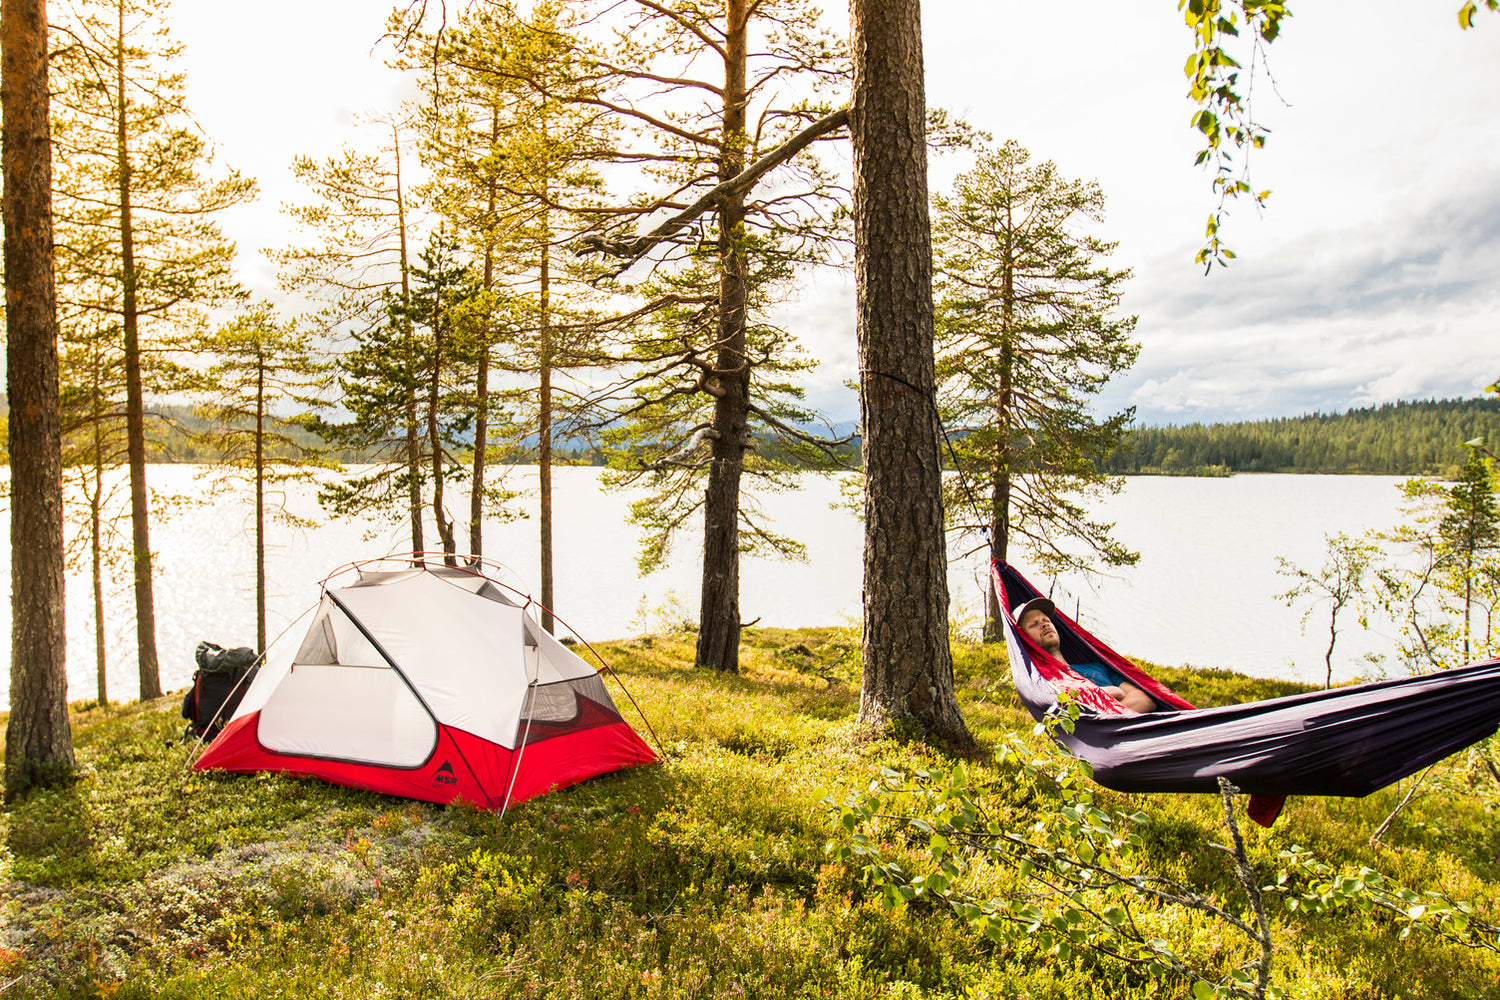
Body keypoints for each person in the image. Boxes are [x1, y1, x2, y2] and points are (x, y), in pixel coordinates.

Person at [1012, 596, 1158, 713]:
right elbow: (1067, 709)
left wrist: (1103, 708)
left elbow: (1144, 701)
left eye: (1046, 620)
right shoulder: (1043, 682)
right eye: (1034, 624)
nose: (1044, 624)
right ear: (1024, 639)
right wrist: (1112, 692)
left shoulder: (1099, 667)